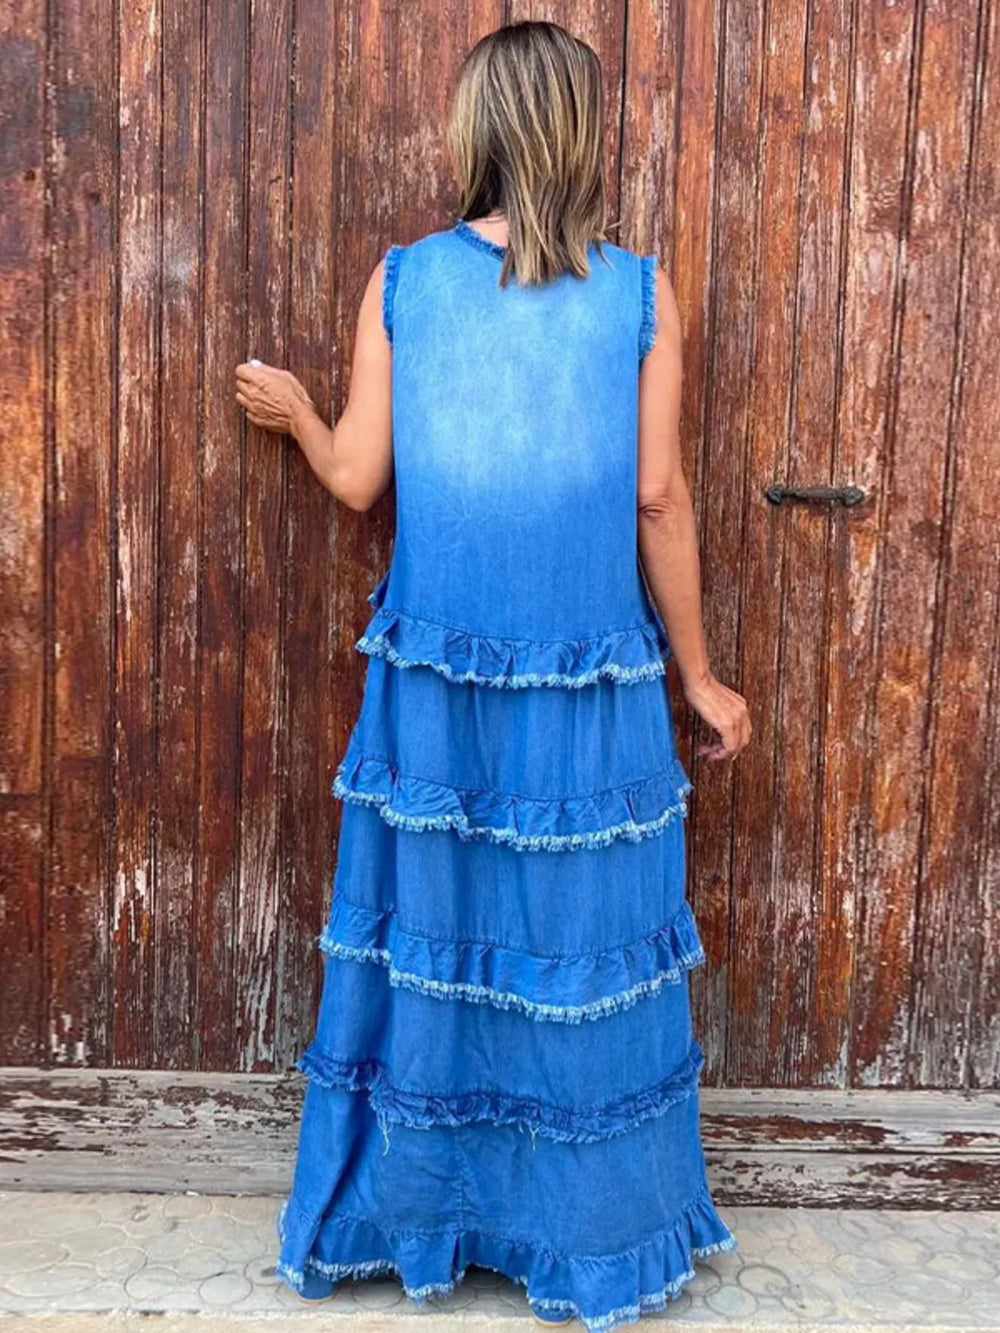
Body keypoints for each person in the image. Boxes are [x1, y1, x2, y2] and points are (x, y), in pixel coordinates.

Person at [235, 19, 750, 1331]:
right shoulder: (640, 294)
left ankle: (425, 1213)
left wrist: (297, 413)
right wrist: (698, 675)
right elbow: (656, 496)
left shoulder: (404, 281)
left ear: (474, 131)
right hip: (587, 693)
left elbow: (358, 477)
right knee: (574, 948)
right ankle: (583, 1234)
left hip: (439, 688)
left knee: (438, 941)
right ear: (583, 135)